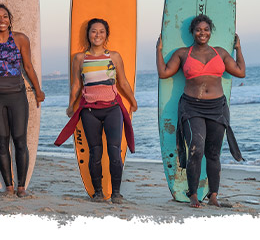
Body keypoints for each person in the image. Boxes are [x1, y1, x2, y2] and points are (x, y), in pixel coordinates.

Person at [156, 14, 245, 208]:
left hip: (217, 107)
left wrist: (238, 49)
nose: (202, 33)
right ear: (192, 32)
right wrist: (159, 50)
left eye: (206, 29)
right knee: (196, 148)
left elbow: (240, 71)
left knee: (213, 153)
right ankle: (193, 193)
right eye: (198, 29)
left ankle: (213, 195)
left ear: (210, 32)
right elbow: (164, 73)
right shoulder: (182, 53)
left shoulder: (220, 53)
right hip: (192, 106)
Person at [55, 18, 137, 203]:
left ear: (106, 35)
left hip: (112, 109)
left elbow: (122, 82)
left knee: (115, 151)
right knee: (95, 152)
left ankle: (116, 193)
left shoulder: (114, 56)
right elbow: (76, 84)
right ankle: (98, 192)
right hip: (89, 110)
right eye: (93, 31)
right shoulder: (80, 58)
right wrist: (71, 105)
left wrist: (132, 100)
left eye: (101, 31)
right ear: (88, 34)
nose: (97, 35)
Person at [0, 4, 45, 197]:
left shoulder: (21, 39)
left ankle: (21, 187)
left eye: (5, 16)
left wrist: (38, 91)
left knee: (20, 140)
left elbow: (28, 67)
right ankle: (8, 186)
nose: (2, 20)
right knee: (1, 141)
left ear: (9, 19)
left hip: (17, 95)